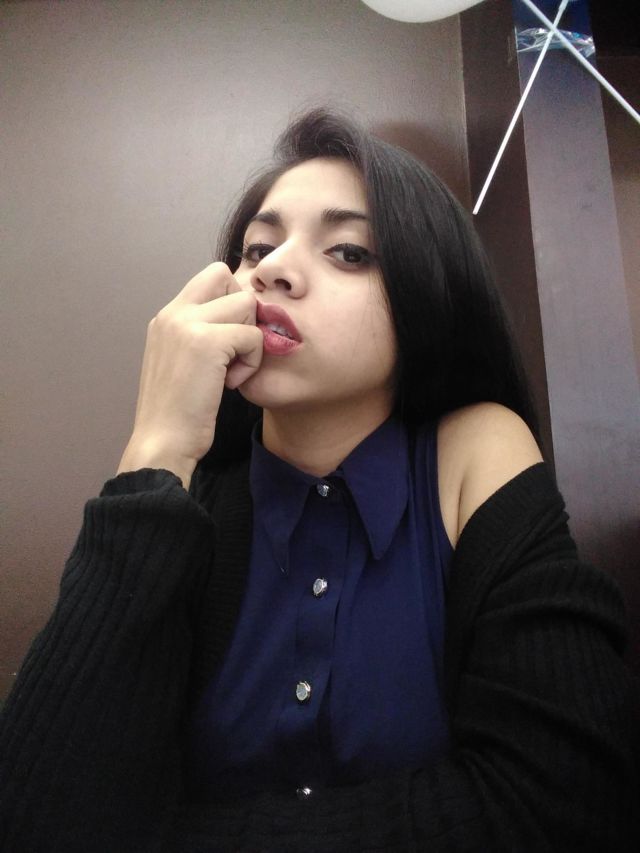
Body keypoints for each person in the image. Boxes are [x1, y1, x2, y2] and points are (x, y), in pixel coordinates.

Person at [0, 108, 637, 852]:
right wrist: (157, 446)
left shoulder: (473, 451)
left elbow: (563, 803)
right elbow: (38, 820)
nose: (272, 268)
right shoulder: (188, 511)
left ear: (428, 295)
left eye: (348, 252)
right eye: (258, 247)